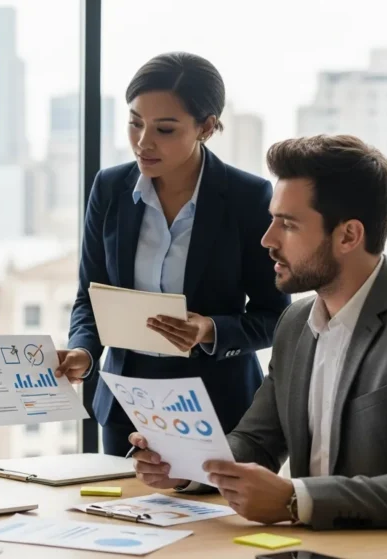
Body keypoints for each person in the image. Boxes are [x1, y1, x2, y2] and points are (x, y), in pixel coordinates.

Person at [129, 134, 387, 530]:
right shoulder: (295, 323)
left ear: (348, 236)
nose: (267, 240)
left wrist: (295, 500)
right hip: (307, 549)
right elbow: (256, 442)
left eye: (287, 224)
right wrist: (186, 465)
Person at [57, 52, 290, 455]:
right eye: (134, 122)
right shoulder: (110, 189)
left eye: (164, 129)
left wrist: (210, 330)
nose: (143, 142)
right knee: (121, 516)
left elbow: (276, 317)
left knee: (214, 518)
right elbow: (89, 298)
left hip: (218, 405)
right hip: (126, 404)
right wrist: (83, 351)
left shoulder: (247, 197)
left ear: (207, 127)